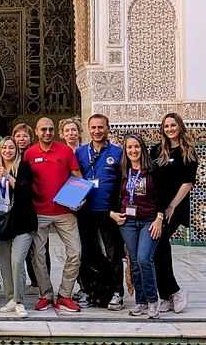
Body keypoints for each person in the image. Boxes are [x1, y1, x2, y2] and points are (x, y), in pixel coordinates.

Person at [24, 117, 83, 313]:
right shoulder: (29, 154)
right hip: (39, 212)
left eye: (50, 129)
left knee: (75, 252)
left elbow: (77, 176)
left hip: (65, 212)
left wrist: (80, 198)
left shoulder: (65, 150)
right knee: (38, 255)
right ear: (36, 131)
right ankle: (46, 294)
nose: (47, 133)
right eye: (43, 130)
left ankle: (64, 295)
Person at [110, 133, 164, 319]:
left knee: (144, 259)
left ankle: (152, 300)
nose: (133, 150)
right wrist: (112, 214)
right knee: (133, 262)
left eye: (136, 146)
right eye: (129, 147)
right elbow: (112, 195)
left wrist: (159, 218)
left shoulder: (153, 169)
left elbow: (162, 196)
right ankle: (140, 301)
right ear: (125, 150)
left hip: (149, 221)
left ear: (142, 148)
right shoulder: (122, 170)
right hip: (128, 222)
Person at [74, 114, 125, 310]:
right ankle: (90, 291)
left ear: (108, 128)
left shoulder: (118, 153)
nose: (97, 131)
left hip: (108, 212)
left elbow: (122, 183)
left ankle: (117, 293)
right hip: (86, 211)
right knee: (87, 253)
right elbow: (74, 178)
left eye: (100, 127)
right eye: (93, 127)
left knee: (113, 254)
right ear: (88, 129)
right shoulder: (80, 152)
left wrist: (117, 210)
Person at [152, 113, 198, 314]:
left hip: (175, 207)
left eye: (173, 125)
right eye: (166, 126)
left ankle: (175, 291)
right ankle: (167, 295)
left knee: (159, 242)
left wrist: (171, 206)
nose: (170, 129)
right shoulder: (157, 150)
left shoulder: (188, 152)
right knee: (158, 247)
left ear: (180, 126)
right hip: (158, 207)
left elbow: (187, 183)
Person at [0, 136, 36, 318]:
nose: (7, 151)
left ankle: (19, 301)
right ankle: (10, 298)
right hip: (3, 223)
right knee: (5, 263)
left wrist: (8, 176)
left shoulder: (23, 167)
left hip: (23, 221)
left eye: (11, 148)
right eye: (4, 148)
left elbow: (25, 190)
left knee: (17, 260)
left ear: (16, 150)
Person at [12, 122, 49, 290]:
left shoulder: (34, 154)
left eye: (25, 136)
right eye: (18, 135)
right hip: (16, 208)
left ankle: (39, 281)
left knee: (39, 248)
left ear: (31, 137)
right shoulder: (9, 155)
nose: (21, 139)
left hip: (36, 205)